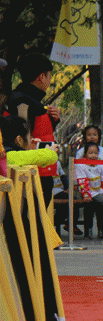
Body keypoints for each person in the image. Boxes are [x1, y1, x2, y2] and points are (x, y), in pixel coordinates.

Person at [8, 53, 60, 207]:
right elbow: (21, 139)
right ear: (41, 77)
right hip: (30, 174)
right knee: (32, 223)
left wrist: (52, 121)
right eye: (49, 76)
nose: (50, 80)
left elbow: (35, 131)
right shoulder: (22, 101)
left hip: (36, 171)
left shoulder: (27, 99)